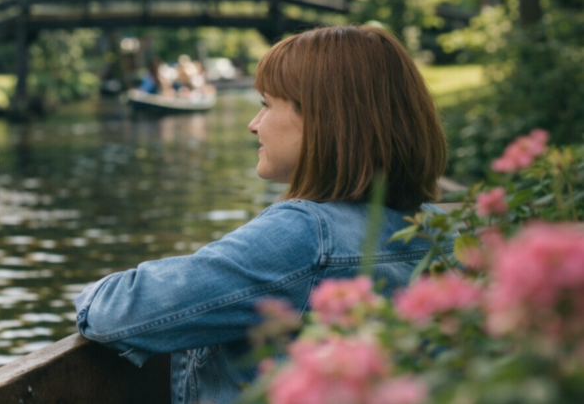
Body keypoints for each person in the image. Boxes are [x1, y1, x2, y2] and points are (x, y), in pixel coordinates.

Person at [74, 25, 448, 404]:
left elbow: (115, 312)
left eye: (267, 104)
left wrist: (91, 295)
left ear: (323, 119)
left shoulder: (305, 237)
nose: (254, 124)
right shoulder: (442, 230)